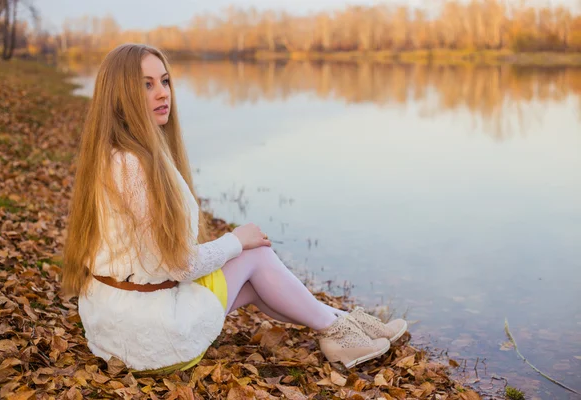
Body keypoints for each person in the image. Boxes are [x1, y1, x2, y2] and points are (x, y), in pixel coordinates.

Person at [62, 43, 407, 373]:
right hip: (148, 340)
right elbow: (180, 265)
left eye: (165, 81)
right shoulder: (133, 166)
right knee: (253, 256)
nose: (163, 93)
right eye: (147, 85)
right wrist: (236, 240)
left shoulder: (114, 155)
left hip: (118, 326)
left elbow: (157, 260)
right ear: (120, 96)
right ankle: (341, 333)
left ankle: (342, 327)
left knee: (258, 281)